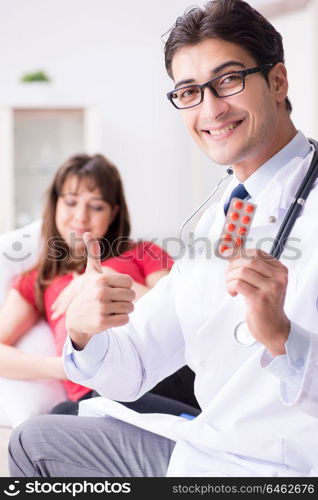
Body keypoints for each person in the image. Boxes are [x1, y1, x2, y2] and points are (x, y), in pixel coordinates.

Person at [8, 0, 318, 477]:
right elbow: (132, 366)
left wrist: (283, 340)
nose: (210, 108)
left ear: (278, 80)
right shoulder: (216, 218)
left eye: (229, 80)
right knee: (42, 436)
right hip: (214, 452)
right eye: (189, 91)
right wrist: (84, 331)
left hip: (287, 468)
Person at [0, 153, 198, 417]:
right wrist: (67, 365)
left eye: (96, 207)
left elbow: (180, 316)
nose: (81, 217)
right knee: (59, 415)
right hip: (93, 392)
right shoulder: (39, 280)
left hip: (156, 376)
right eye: (71, 202)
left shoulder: (143, 253)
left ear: (113, 212)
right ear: (55, 204)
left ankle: (195, 426)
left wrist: (98, 281)